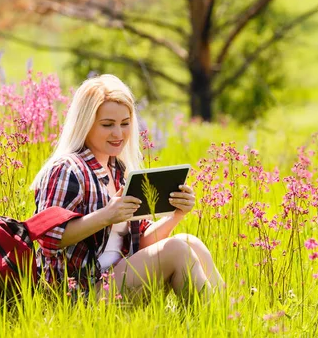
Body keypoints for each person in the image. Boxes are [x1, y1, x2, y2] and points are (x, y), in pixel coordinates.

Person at [30, 74, 223, 301]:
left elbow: (141, 243)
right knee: (177, 250)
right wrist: (106, 216)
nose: (118, 133)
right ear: (86, 123)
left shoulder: (118, 170)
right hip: (79, 292)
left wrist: (176, 215)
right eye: (107, 124)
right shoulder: (67, 169)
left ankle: (229, 317)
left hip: (115, 281)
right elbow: (48, 238)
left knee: (190, 242)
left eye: (125, 123)